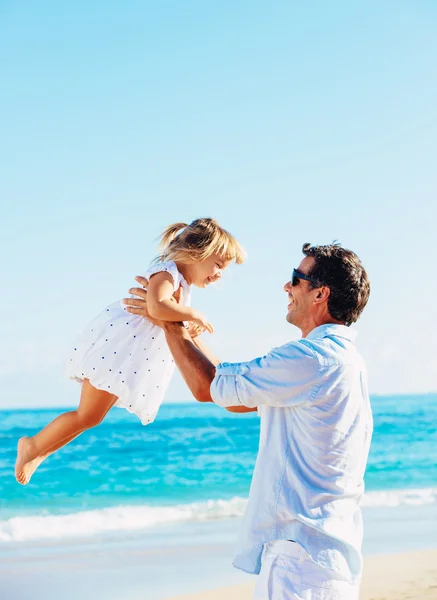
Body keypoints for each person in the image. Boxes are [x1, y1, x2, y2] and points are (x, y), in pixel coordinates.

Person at [124, 242, 372, 600]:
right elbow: (233, 395)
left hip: (300, 560)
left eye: (295, 279)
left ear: (320, 293)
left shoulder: (310, 358)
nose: (286, 287)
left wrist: (167, 321)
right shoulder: (343, 359)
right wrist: (183, 328)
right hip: (324, 557)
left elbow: (208, 387)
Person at [15, 217, 245, 485]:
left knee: (91, 417)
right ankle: (32, 447)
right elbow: (157, 306)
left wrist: (187, 326)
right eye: (218, 265)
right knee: (87, 415)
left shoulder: (181, 284)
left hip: (128, 356)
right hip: (118, 351)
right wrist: (193, 314)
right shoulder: (167, 272)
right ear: (196, 252)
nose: (219, 274)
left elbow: (167, 316)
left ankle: (40, 451)